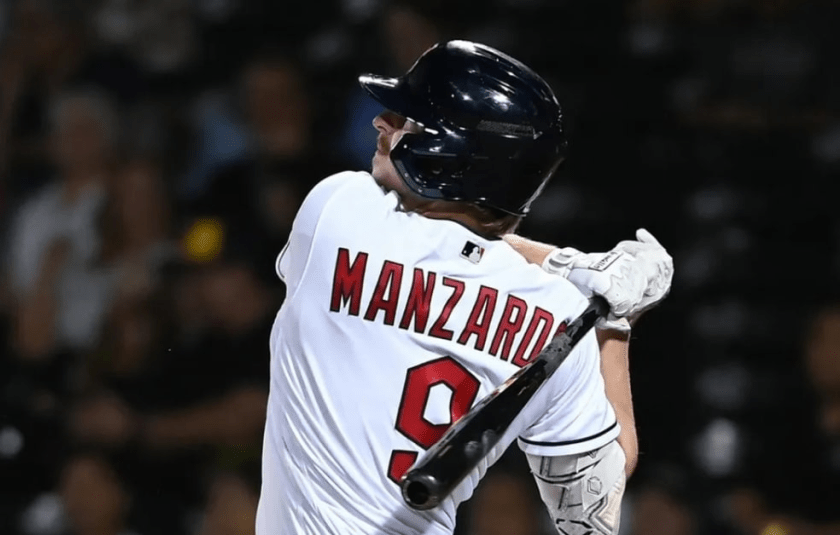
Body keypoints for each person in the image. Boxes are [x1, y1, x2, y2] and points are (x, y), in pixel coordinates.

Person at [256, 41, 674, 535]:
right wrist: (614, 320)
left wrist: (567, 265)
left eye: (409, 121)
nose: (382, 122)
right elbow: (591, 509)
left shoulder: (336, 210)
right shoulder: (559, 317)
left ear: (453, 156)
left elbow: (443, 244)